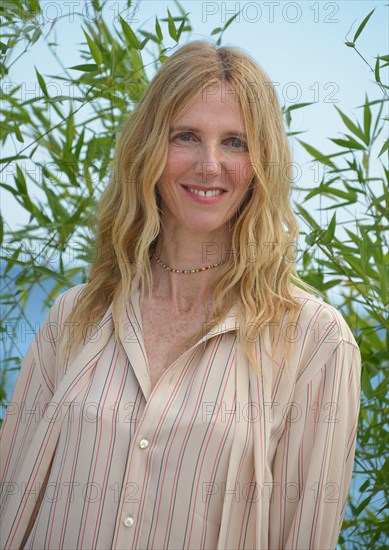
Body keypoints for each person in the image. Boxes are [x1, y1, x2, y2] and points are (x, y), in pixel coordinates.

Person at [0, 41, 361, 549]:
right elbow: (11, 502)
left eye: (235, 142)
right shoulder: (75, 315)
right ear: (148, 149)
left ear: (262, 163)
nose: (210, 165)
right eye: (186, 136)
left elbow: (302, 536)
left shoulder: (316, 343)